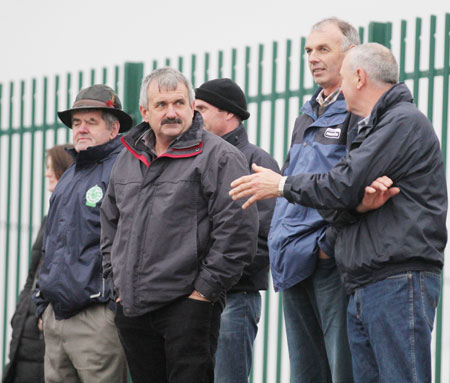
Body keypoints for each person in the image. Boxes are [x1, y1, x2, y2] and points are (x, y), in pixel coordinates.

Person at [229, 43, 447, 383]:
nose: (339, 89)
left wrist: (283, 185)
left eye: (343, 78)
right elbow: (345, 191)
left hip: (397, 277)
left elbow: (341, 183)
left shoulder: (401, 121)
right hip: (368, 277)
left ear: (359, 76)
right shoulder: (371, 126)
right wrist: (357, 203)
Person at [100, 67, 259, 383]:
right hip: (133, 309)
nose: (171, 112)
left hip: (188, 308)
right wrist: (115, 285)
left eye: (179, 103)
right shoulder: (127, 158)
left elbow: (238, 231)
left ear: (191, 105)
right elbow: (110, 223)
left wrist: (204, 293)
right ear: (145, 111)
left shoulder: (219, 156)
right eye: (161, 105)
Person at [33, 85, 132, 383]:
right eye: (77, 123)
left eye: (91, 122)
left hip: (96, 318)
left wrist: (113, 305)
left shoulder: (123, 170)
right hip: (55, 318)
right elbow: (51, 246)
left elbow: (130, 241)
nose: (81, 129)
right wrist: (42, 306)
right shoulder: (70, 176)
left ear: (114, 128)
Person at [195, 78, 280, 383]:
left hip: (235, 296)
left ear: (229, 113)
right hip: (193, 298)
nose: (194, 116)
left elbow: (268, 234)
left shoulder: (256, 162)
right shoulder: (195, 161)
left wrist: (217, 277)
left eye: (201, 108)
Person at [2, 144, 73, 383]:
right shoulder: (49, 218)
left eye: (50, 169)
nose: (46, 175)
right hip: (27, 325)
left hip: (44, 328)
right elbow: (33, 275)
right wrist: (20, 313)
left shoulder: (74, 218)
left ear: (63, 171)